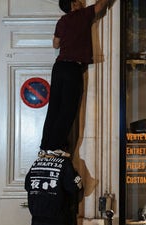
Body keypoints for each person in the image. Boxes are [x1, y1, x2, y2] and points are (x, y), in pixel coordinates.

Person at [39, 0, 117, 157]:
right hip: (72, 69)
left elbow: (55, 44)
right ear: (74, 4)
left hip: (59, 67)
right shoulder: (82, 15)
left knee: (54, 108)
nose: (82, 2)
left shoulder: (63, 21)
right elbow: (100, 5)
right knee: (68, 108)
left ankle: (45, 146)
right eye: (79, 0)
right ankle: (55, 146)